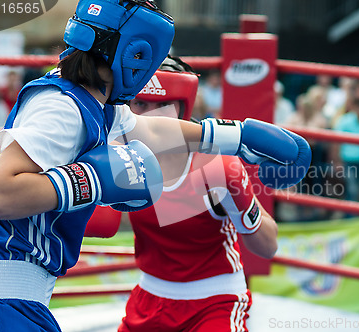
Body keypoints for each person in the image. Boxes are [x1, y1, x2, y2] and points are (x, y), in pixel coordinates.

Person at [0, 1, 311, 331]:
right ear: (132, 52)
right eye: (144, 58)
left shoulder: (96, 101)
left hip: (22, 297)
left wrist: (238, 136)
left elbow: (151, 130)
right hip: (2, 295)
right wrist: (92, 179)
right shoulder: (63, 107)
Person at [119, 56, 278, 332]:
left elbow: (267, 246)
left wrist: (243, 203)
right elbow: (105, 225)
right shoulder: (118, 155)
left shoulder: (214, 164)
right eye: (141, 104)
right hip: (148, 299)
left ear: (182, 108)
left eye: (163, 104)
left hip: (214, 301)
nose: (151, 116)